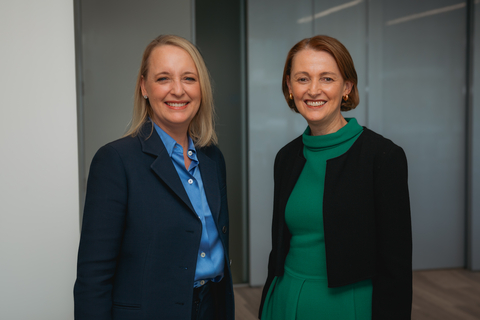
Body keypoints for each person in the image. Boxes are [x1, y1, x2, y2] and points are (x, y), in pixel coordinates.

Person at [74, 35, 234, 320]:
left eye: (188, 78)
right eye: (163, 79)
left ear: (201, 88)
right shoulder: (115, 161)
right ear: (144, 87)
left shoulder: (212, 158)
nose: (178, 90)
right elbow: (93, 277)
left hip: (211, 306)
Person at [259, 35, 412, 320]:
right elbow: (280, 246)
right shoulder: (286, 157)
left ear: (347, 87)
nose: (313, 90)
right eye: (303, 79)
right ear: (289, 87)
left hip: (347, 308)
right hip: (284, 301)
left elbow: (397, 267)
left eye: (327, 78)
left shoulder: (382, 157)